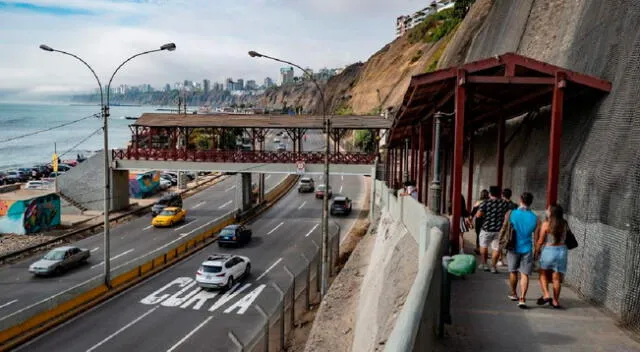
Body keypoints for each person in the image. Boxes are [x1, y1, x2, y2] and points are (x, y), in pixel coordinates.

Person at [503, 192, 539, 308]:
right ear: (531, 202)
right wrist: (537, 251)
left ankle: (514, 293)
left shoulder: (511, 213)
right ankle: (522, 298)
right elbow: (536, 237)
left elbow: (505, 228)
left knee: (513, 271)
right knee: (525, 274)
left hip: (513, 247)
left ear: (520, 200)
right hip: (527, 248)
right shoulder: (535, 218)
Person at [535, 204, 569, 309]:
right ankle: (555, 301)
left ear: (551, 212)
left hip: (549, 251)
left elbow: (540, 241)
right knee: (556, 278)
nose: (547, 211)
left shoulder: (546, 224)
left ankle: (546, 294)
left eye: (548, 210)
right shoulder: (565, 224)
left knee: (542, 273)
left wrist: (536, 251)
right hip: (562, 251)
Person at [476, 186, 510, 273]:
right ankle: (493, 267)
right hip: (499, 229)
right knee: (496, 248)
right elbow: (508, 214)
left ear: (490, 193)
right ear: (499, 194)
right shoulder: (504, 203)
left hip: (486, 228)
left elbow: (478, 215)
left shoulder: (485, 203)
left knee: (483, 246)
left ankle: (484, 264)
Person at [470, 189, 489, 255]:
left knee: (478, 235)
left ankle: (478, 248)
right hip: (487, 220)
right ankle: (483, 249)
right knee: (485, 235)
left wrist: (470, 221)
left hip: (478, 221)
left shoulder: (478, 202)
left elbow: (472, 213)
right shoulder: (489, 202)